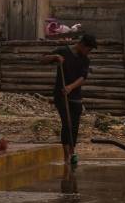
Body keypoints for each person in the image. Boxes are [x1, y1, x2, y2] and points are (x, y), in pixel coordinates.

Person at [41, 34, 97, 165]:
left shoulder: (85, 60)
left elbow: (83, 77)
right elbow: (41, 59)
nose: (89, 52)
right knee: (67, 123)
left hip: (75, 96)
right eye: (89, 49)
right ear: (82, 45)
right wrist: (55, 57)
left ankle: (72, 152)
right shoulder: (63, 51)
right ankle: (66, 156)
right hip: (61, 95)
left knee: (75, 125)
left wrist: (71, 87)